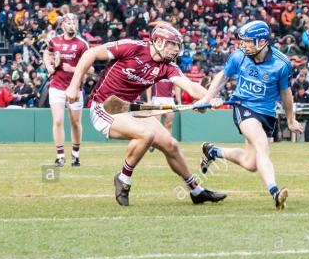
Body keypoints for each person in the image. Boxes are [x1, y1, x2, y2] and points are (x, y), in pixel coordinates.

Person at [65, 21, 226, 206]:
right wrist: (73, 85)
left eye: (177, 46)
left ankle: (196, 191)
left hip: (129, 108)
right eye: (172, 44)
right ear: (158, 42)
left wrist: (208, 98)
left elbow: (189, 85)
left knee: (170, 144)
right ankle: (123, 179)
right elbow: (90, 53)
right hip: (104, 106)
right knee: (146, 135)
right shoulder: (132, 47)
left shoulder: (167, 66)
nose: (175, 50)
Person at [195, 20, 303, 210]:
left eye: (247, 41)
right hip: (243, 107)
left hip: (267, 114)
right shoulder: (239, 56)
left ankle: (213, 151)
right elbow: (223, 76)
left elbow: (286, 94)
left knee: (251, 163)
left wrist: (291, 119)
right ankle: (275, 192)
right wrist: (207, 98)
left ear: (261, 42)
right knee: (262, 145)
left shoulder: (282, 64)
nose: (242, 45)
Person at [43, 13, 90, 167]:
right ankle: (60, 156)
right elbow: (47, 53)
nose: (72, 25)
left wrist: (72, 68)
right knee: (57, 121)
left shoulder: (82, 44)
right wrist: (49, 66)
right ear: (62, 25)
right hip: (56, 87)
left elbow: (88, 69)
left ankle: (75, 155)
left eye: (74, 22)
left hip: (75, 88)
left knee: (75, 122)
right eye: (69, 22)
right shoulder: (54, 41)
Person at [146, 79, 181, 151]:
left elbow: (177, 86)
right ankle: (153, 143)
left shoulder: (171, 72)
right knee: (156, 124)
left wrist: (179, 102)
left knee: (169, 124)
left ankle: (167, 144)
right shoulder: (155, 72)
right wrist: (149, 100)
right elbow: (148, 85)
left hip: (169, 100)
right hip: (157, 99)